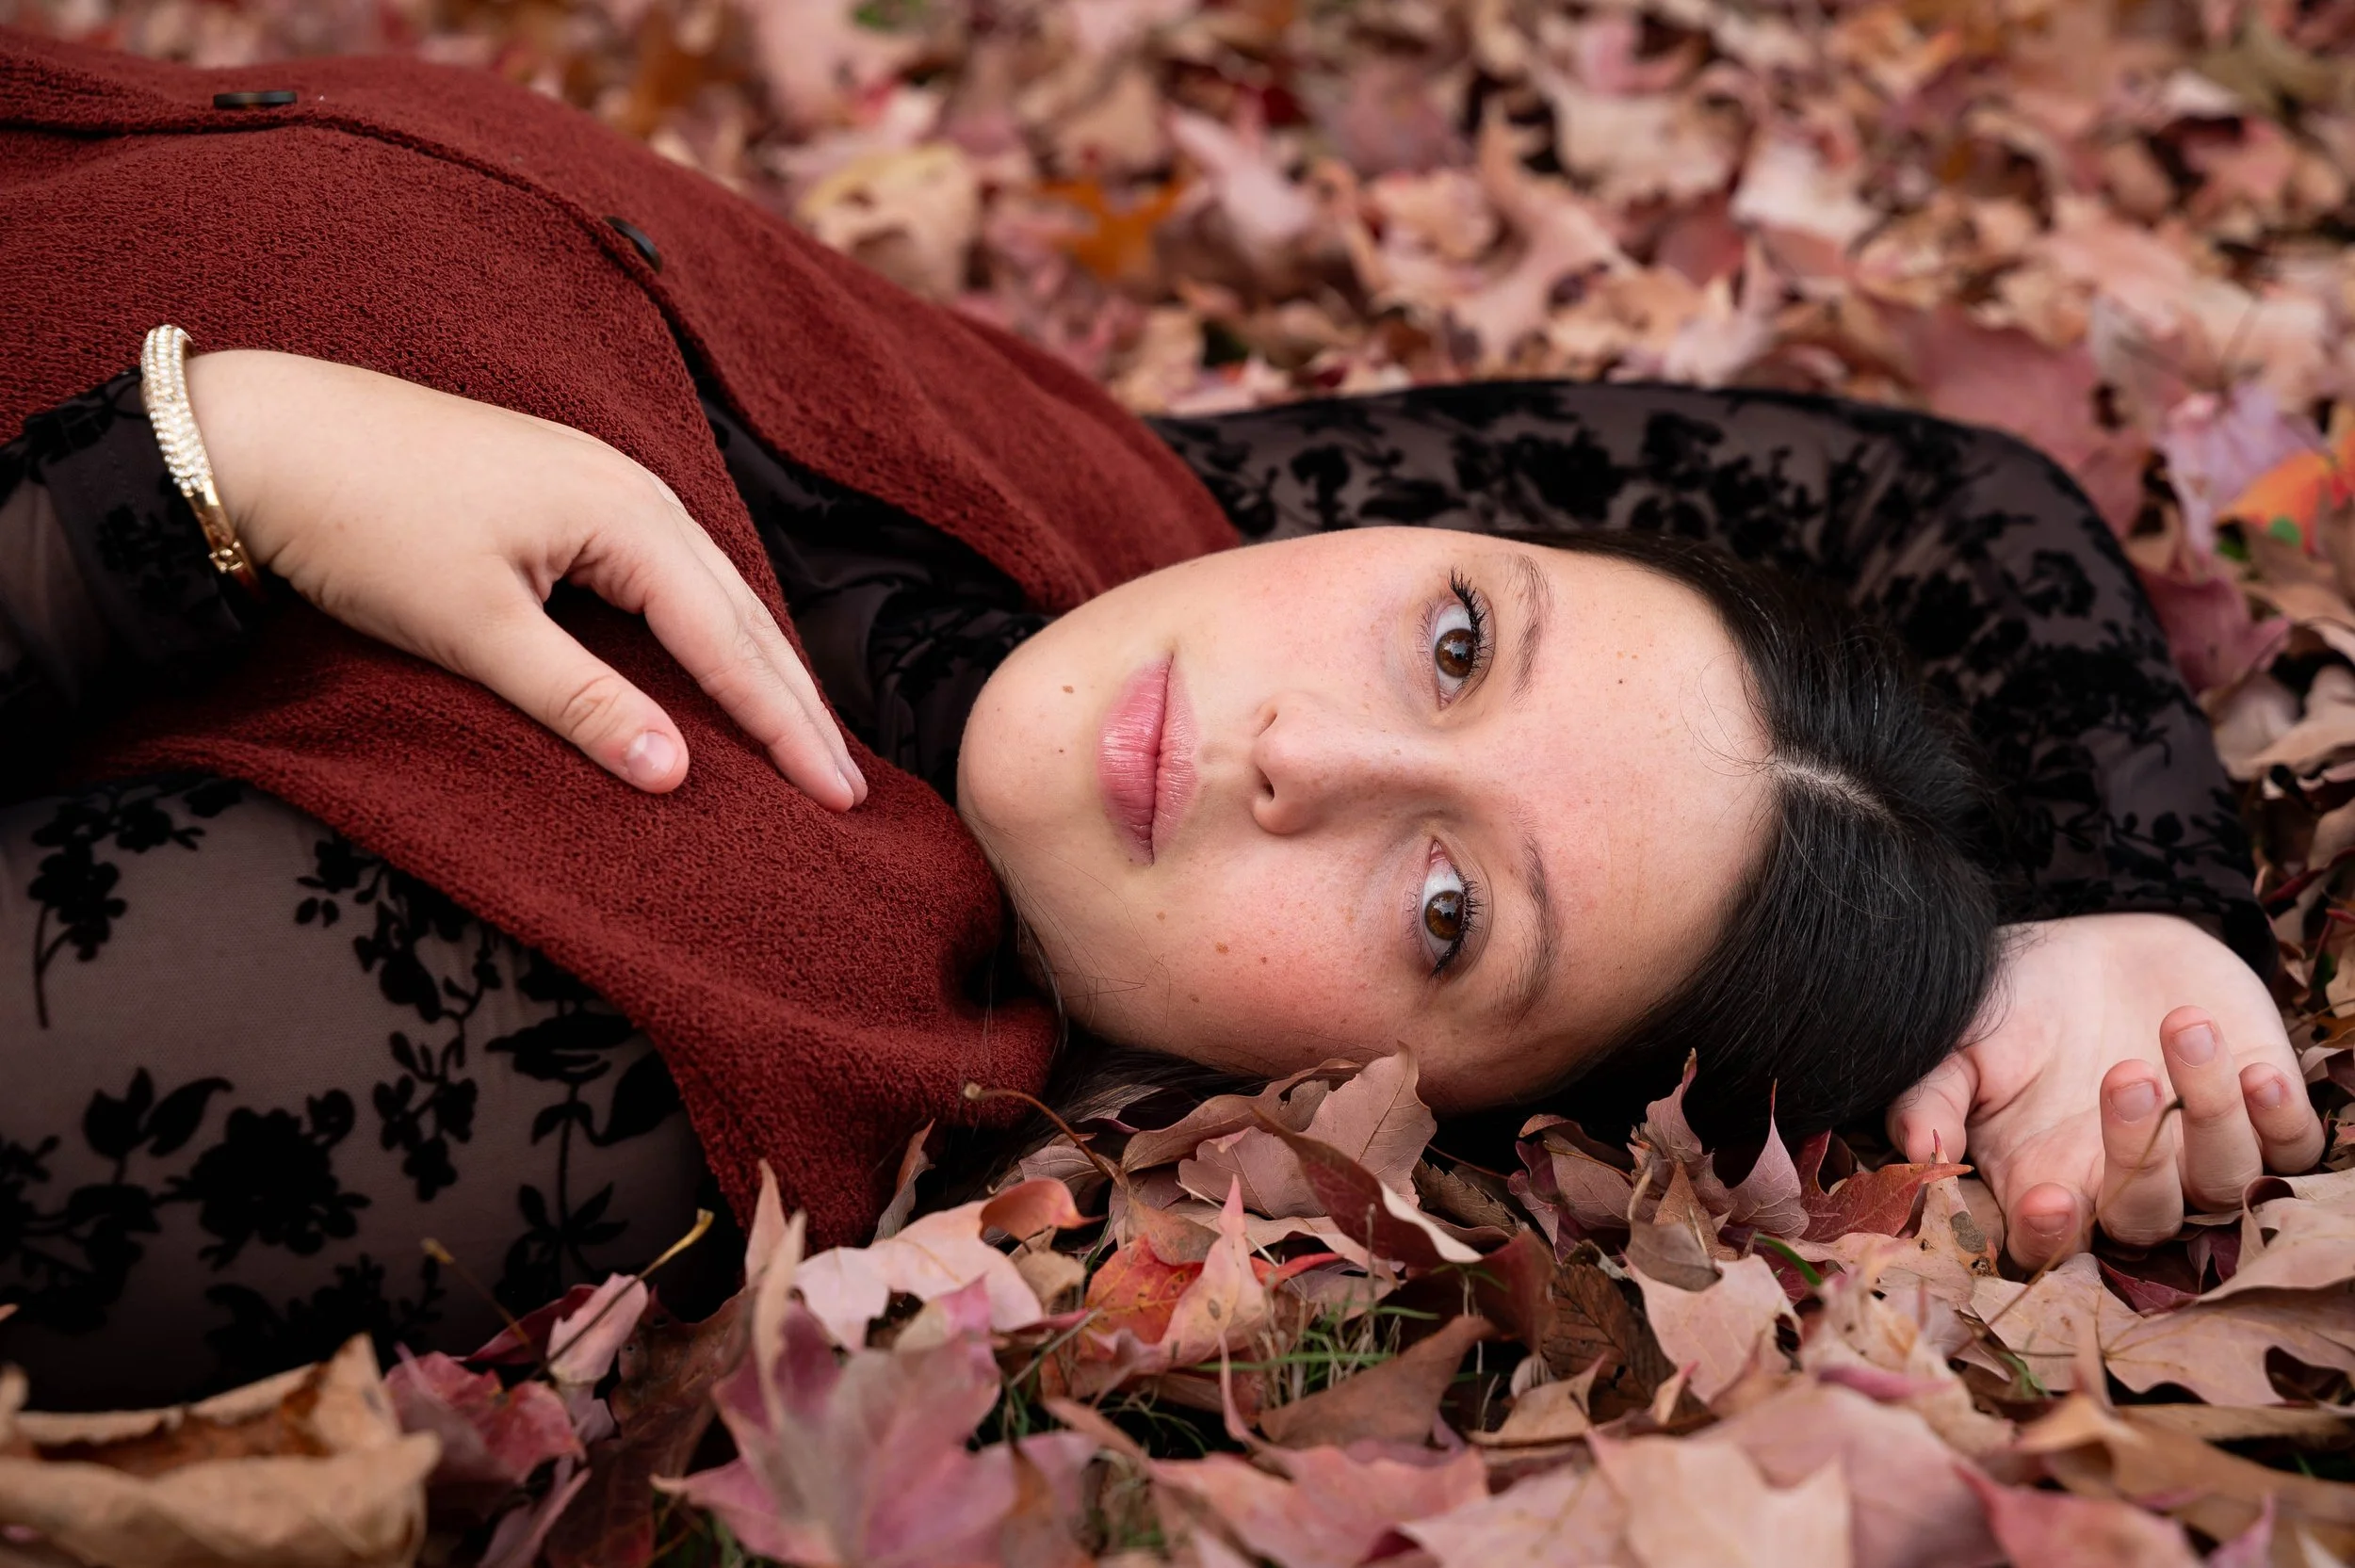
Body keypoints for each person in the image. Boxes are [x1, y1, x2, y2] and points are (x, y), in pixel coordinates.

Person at [0, 29, 2322, 1407]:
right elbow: (1945, 491)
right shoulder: (1110, 527)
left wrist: (178, 492)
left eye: (1439, 910)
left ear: (1391, 1108)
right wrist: (2134, 900)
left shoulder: (567, 1044)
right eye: (1452, 642)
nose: (1303, 751)